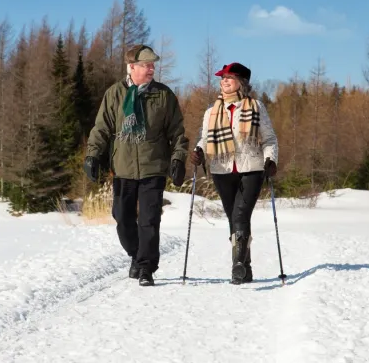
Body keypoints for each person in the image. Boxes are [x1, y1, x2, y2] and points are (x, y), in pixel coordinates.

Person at [84, 44, 189, 287]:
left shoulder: (163, 95)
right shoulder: (115, 94)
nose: (151, 69)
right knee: (122, 217)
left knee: (149, 220)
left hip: (153, 166)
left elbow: (177, 132)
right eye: (146, 65)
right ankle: (136, 254)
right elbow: (102, 128)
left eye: (152, 65)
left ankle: (146, 268)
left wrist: (178, 159)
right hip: (123, 167)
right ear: (131, 67)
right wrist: (92, 155)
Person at [189, 62, 278, 285]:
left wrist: (271, 159)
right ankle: (245, 269)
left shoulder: (256, 106)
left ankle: (237, 264)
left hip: (252, 169)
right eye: (223, 78)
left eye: (229, 77)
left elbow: (269, 139)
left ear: (241, 82)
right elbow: (205, 138)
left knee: (240, 215)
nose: (224, 81)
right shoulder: (211, 111)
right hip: (222, 170)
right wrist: (198, 150)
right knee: (234, 218)